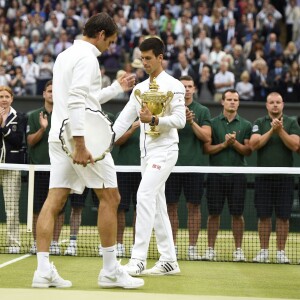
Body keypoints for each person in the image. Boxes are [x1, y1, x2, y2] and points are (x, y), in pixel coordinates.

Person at [31, 13, 143, 289]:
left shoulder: (64, 56)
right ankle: (109, 271)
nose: (111, 47)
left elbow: (82, 97)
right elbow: (78, 100)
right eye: (112, 41)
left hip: (58, 138)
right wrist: (80, 144)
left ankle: (42, 270)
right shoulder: (88, 58)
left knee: (54, 199)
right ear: (102, 34)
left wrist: (117, 88)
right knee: (111, 196)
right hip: (82, 140)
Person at [113, 36, 186, 276]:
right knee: (157, 203)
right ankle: (169, 261)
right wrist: (105, 142)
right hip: (145, 154)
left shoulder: (175, 85)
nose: (144, 62)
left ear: (160, 58)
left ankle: (138, 260)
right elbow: (123, 120)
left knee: (144, 194)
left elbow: (180, 120)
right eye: (142, 58)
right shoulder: (139, 89)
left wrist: (154, 120)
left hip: (166, 151)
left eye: (148, 58)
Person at [201, 89, 252, 262]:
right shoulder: (213, 123)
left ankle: (238, 250)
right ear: (222, 102)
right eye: (229, 99)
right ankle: (210, 250)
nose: (232, 102)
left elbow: (248, 150)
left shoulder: (245, 125)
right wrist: (224, 144)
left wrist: (234, 143)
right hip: (216, 175)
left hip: (238, 175)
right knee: (213, 214)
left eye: (235, 100)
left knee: (237, 214)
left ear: (238, 102)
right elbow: (207, 149)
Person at [250, 92, 300, 264]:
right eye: (271, 102)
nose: (275, 105)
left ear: (283, 104)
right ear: (267, 105)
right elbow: (253, 145)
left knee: (283, 217)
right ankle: (264, 251)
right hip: (264, 177)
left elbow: (295, 145)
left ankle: (280, 252)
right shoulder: (259, 122)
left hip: (285, 177)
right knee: (263, 216)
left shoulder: (292, 122)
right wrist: (272, 130)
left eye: (278, 102)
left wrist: (281, 130)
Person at [165, 75, 211, 260]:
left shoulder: (202, 110)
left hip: (195, 167)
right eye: (184, 86)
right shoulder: (168, 107)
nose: (187, 89)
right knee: (171, 207)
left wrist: (191, 122)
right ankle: (171, 247)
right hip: (171, 165)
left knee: (194, 207)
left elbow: (207, 137)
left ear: (194, 88)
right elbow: (160, 130)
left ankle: (192, 247)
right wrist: (178, 120)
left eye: (190, 86)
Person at [27, 80, 65, 255]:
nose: (52, 94)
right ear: (44, 94)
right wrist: (42, 129)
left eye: (55, 91)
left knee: (59, 208)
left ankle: (55, 243)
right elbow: (30, 142)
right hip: (39, 169)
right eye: (49, 91)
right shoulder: (34, 115)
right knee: (37, 208)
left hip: (59, 169)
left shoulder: (63, 115)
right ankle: (37, 242)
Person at [0, 85, 27, 254]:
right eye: (1, 96)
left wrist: (3, 126)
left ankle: (13, 243)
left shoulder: (20, 117)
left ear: (12, 99)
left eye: (6, 96)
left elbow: (17, 141)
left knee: (12, 208)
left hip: (11, 166)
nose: (3, 99)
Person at [114, 117, 141, 257]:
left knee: (141, 210)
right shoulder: (123, 115)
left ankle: (137, 246)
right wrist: (132, 129)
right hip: (124, 170)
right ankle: (119, 244)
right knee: (120, 209)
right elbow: (116, 141)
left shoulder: (156, 114)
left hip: (144, 169)